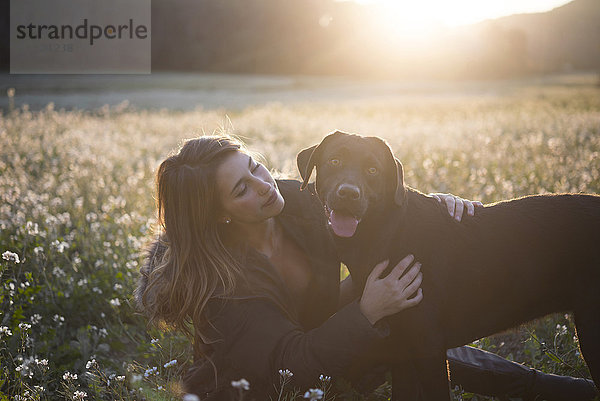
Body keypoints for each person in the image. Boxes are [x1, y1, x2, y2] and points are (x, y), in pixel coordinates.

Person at [135, 135, 598, 400]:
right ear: (219, 214)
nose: (263, 184)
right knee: (412, 341)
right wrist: (366, 311)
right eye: (241, 188)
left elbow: (365, 188)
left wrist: (434, 204)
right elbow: (289, 364)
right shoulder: (227, 291)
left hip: (337, 334)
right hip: (275, 377)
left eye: (255, 166)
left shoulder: (296, 202)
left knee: (418, 333)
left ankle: (558, 391)